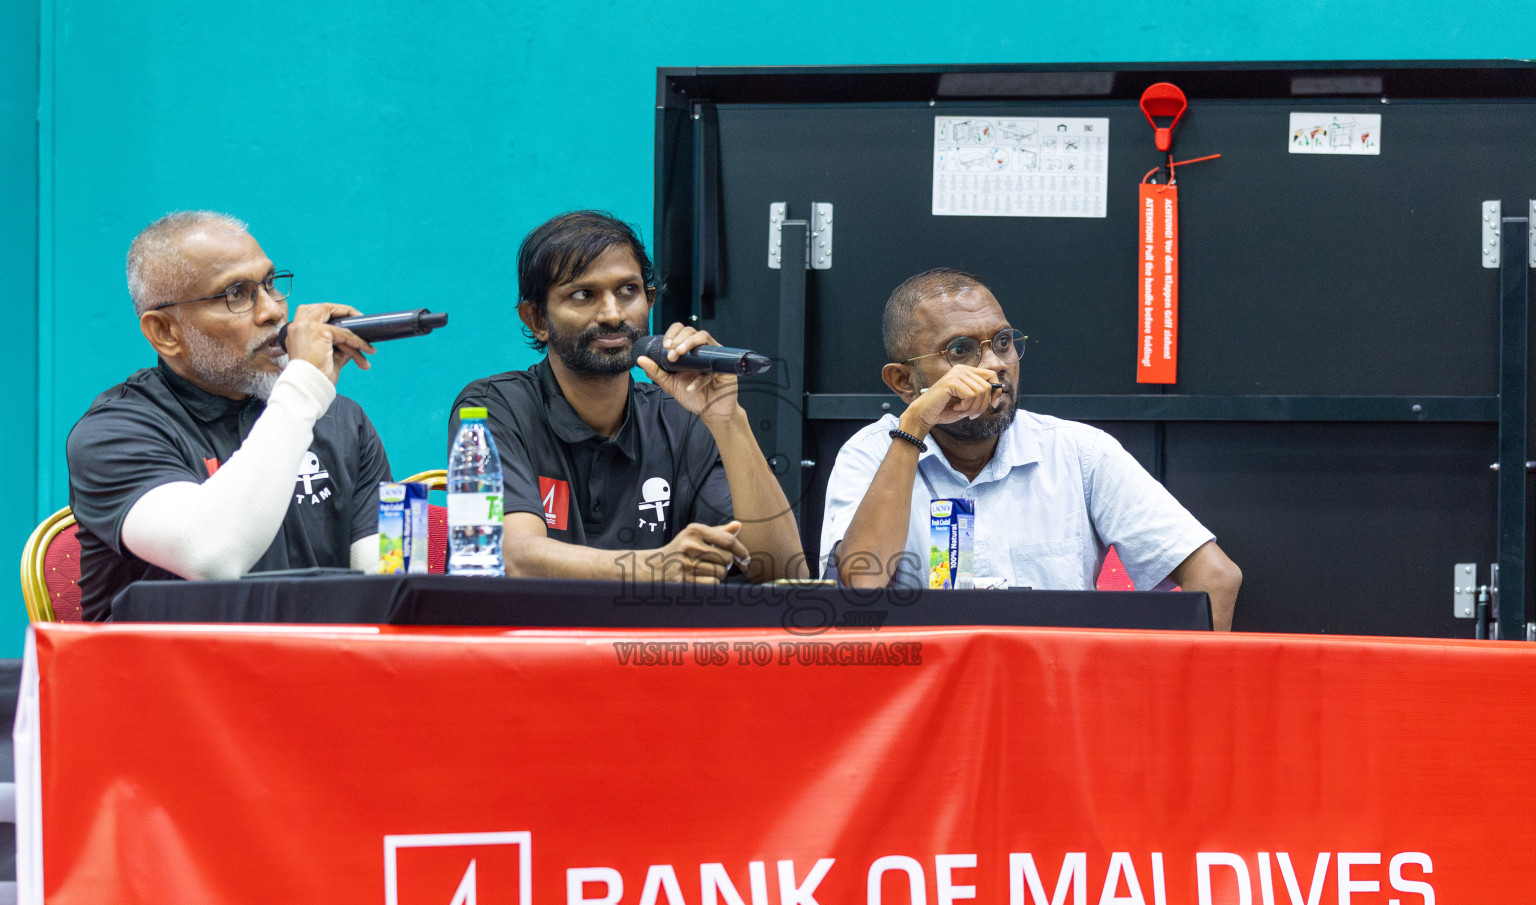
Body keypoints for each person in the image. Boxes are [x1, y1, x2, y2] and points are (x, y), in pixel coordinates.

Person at [820, 268, 1242, 629]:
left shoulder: (1079, 453)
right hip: (928, 700)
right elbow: (860, 586)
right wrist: (914, 426)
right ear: (903, 382)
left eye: (1002, 342)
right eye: (961, 350)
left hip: (1052, 696)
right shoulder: (872, 455)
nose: (994, 365)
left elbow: (1216, 576)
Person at [67, 211, 392, 621]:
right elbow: (211, 555)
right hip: (170, 679)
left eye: (271, 284)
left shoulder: (340, 420)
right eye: (236, 294)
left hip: (312, 672)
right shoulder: (113, 433)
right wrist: (305, 385)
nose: (273, 311)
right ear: (165, 332)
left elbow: (383, 583)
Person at [450, 210, 803, 584]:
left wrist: (728, 420)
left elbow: (782, 572)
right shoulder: (493, 408)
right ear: (537, 319)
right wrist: (653, 566)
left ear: (649, 301)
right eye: (583, 294)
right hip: (536, 641)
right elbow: (513, 557)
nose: (613, 314)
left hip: (654, 644)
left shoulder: (683, 417)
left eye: (628, 291)